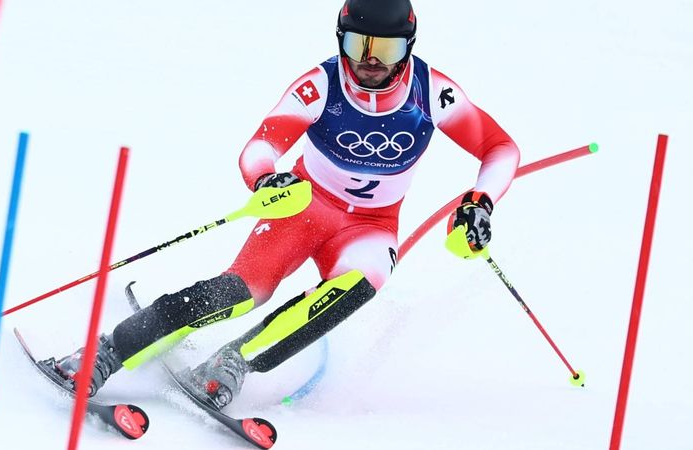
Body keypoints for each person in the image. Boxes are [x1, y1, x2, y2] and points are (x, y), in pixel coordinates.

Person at [41, 0, 520, 410]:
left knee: (359, 285)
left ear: (409, 47)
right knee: (241, 294)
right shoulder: (321, 85)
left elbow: (500, 149)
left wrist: (480, 202)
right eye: (358, 45)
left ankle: (233, 361)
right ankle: (105, 351)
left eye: (387, 49)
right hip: (303, 209)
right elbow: (259, 147)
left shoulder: (433, 93)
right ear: (340, 39)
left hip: (371, 227)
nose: (370, 62)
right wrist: (268, 177)